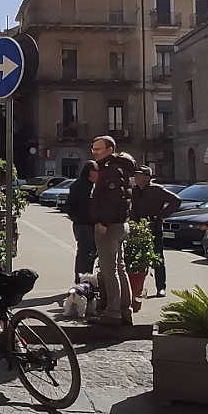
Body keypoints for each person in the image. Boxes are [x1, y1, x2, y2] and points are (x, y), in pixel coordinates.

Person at [89, 136, 137, 327]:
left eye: (98, 149)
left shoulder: (110, 171)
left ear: (110, 150)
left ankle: (113, 313)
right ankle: (126, 310)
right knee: (120, 268)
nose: (94, 152)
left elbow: (114, 199)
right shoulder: (121, 169)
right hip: (120, 224)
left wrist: (103, 222)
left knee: (110, 271)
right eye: (93, 149)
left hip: (110, 226)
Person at [130, 165, 182, 298]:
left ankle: (161, 287)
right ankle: (138, 288)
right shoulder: (135, 191)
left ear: (147, 178)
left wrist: (162, 215)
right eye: (135, 175)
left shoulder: (156, 190)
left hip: (154, 227)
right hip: (137, 229)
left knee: (157, 257)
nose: (136, 178)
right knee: (138, 259)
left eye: (139, 175)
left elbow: (176, 200)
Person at [63, 161, 98, 276]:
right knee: (84, 251)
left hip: (93, 224)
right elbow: (69, 205)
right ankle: (80, 278)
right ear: (89, 172)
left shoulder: (95, 185)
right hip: (82, 224)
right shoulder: (78, 185)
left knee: (92, 252)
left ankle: (88, 277)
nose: (98, 174)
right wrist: (76, 217)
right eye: (96, 172)